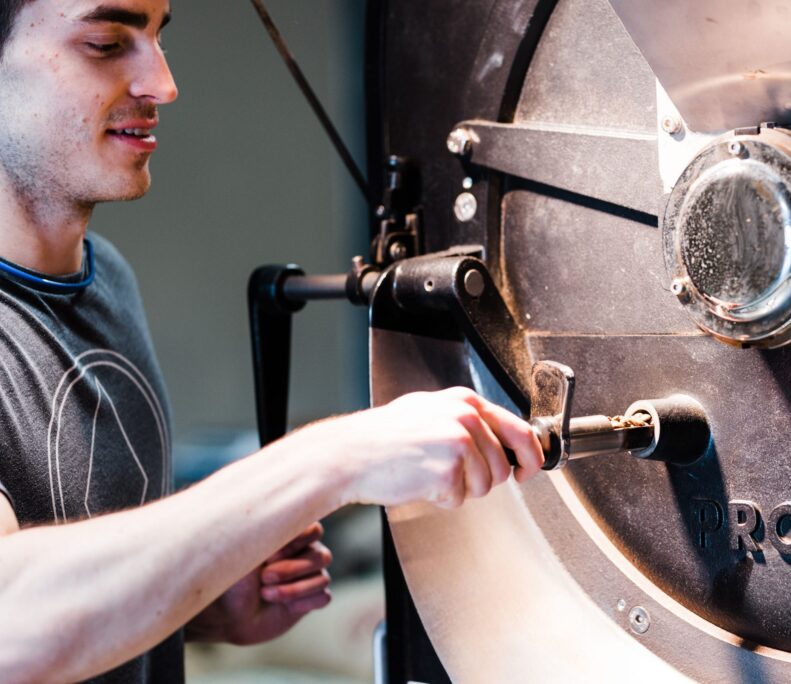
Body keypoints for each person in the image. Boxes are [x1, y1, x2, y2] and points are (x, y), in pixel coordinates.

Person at [0, 0, 544, 681]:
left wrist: (200, 597)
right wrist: (336, 456)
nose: (163, 84)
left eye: (159, 37)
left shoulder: (104, 278)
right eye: (107, 43)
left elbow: (65, 591)